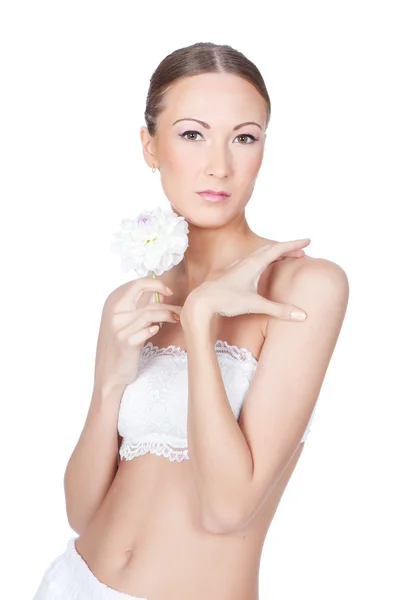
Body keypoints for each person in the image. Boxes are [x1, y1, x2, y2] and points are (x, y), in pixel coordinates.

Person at [33, 41, 349, 600]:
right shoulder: (133, 301)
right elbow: (82, 513)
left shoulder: (305, 287)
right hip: (72, 583)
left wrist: (202, 322)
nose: (219, 165)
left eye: (243, 138)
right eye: (192, 134)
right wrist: (110, 385)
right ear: (150, 146)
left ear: (262, 151)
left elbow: (228, 509)